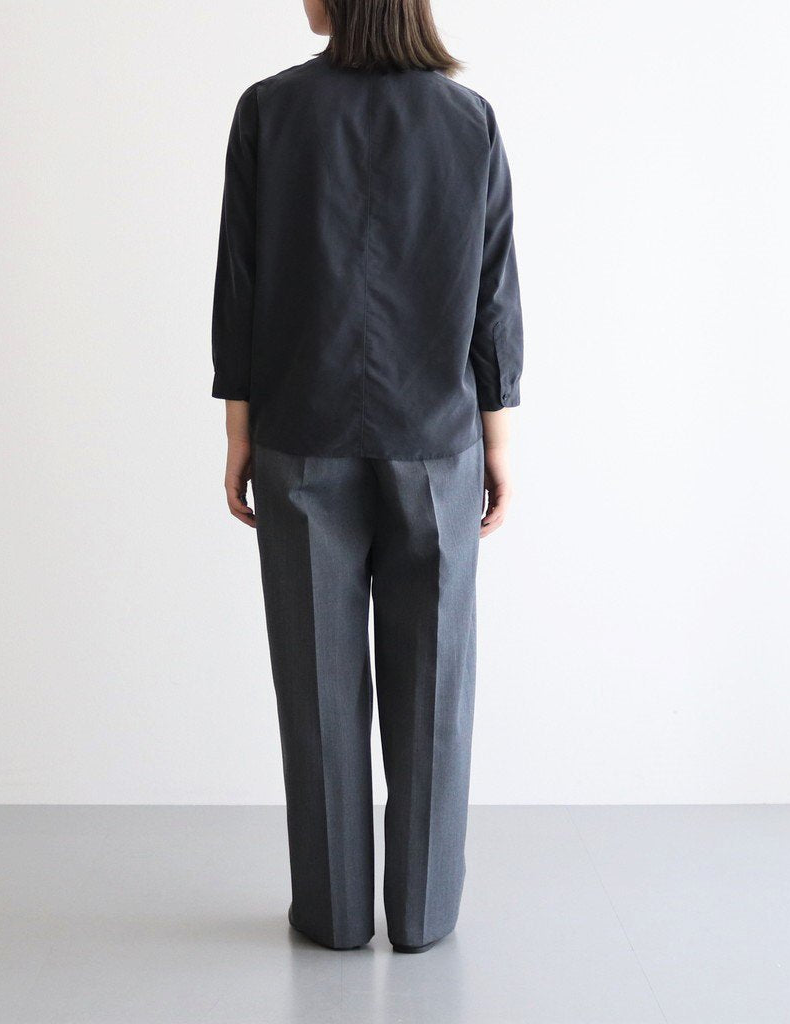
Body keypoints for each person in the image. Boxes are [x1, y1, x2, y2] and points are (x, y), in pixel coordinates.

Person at [210, 0, 523, 954]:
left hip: (300, 436)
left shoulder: (269, 110)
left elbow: (240, 285)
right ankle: (422, 917)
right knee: (435, 690)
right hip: (436, 440)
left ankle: (336, 914)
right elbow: (493, 293)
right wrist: (498, 439)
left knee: (316, 689)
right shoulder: (468, 121)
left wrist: (238, 432)